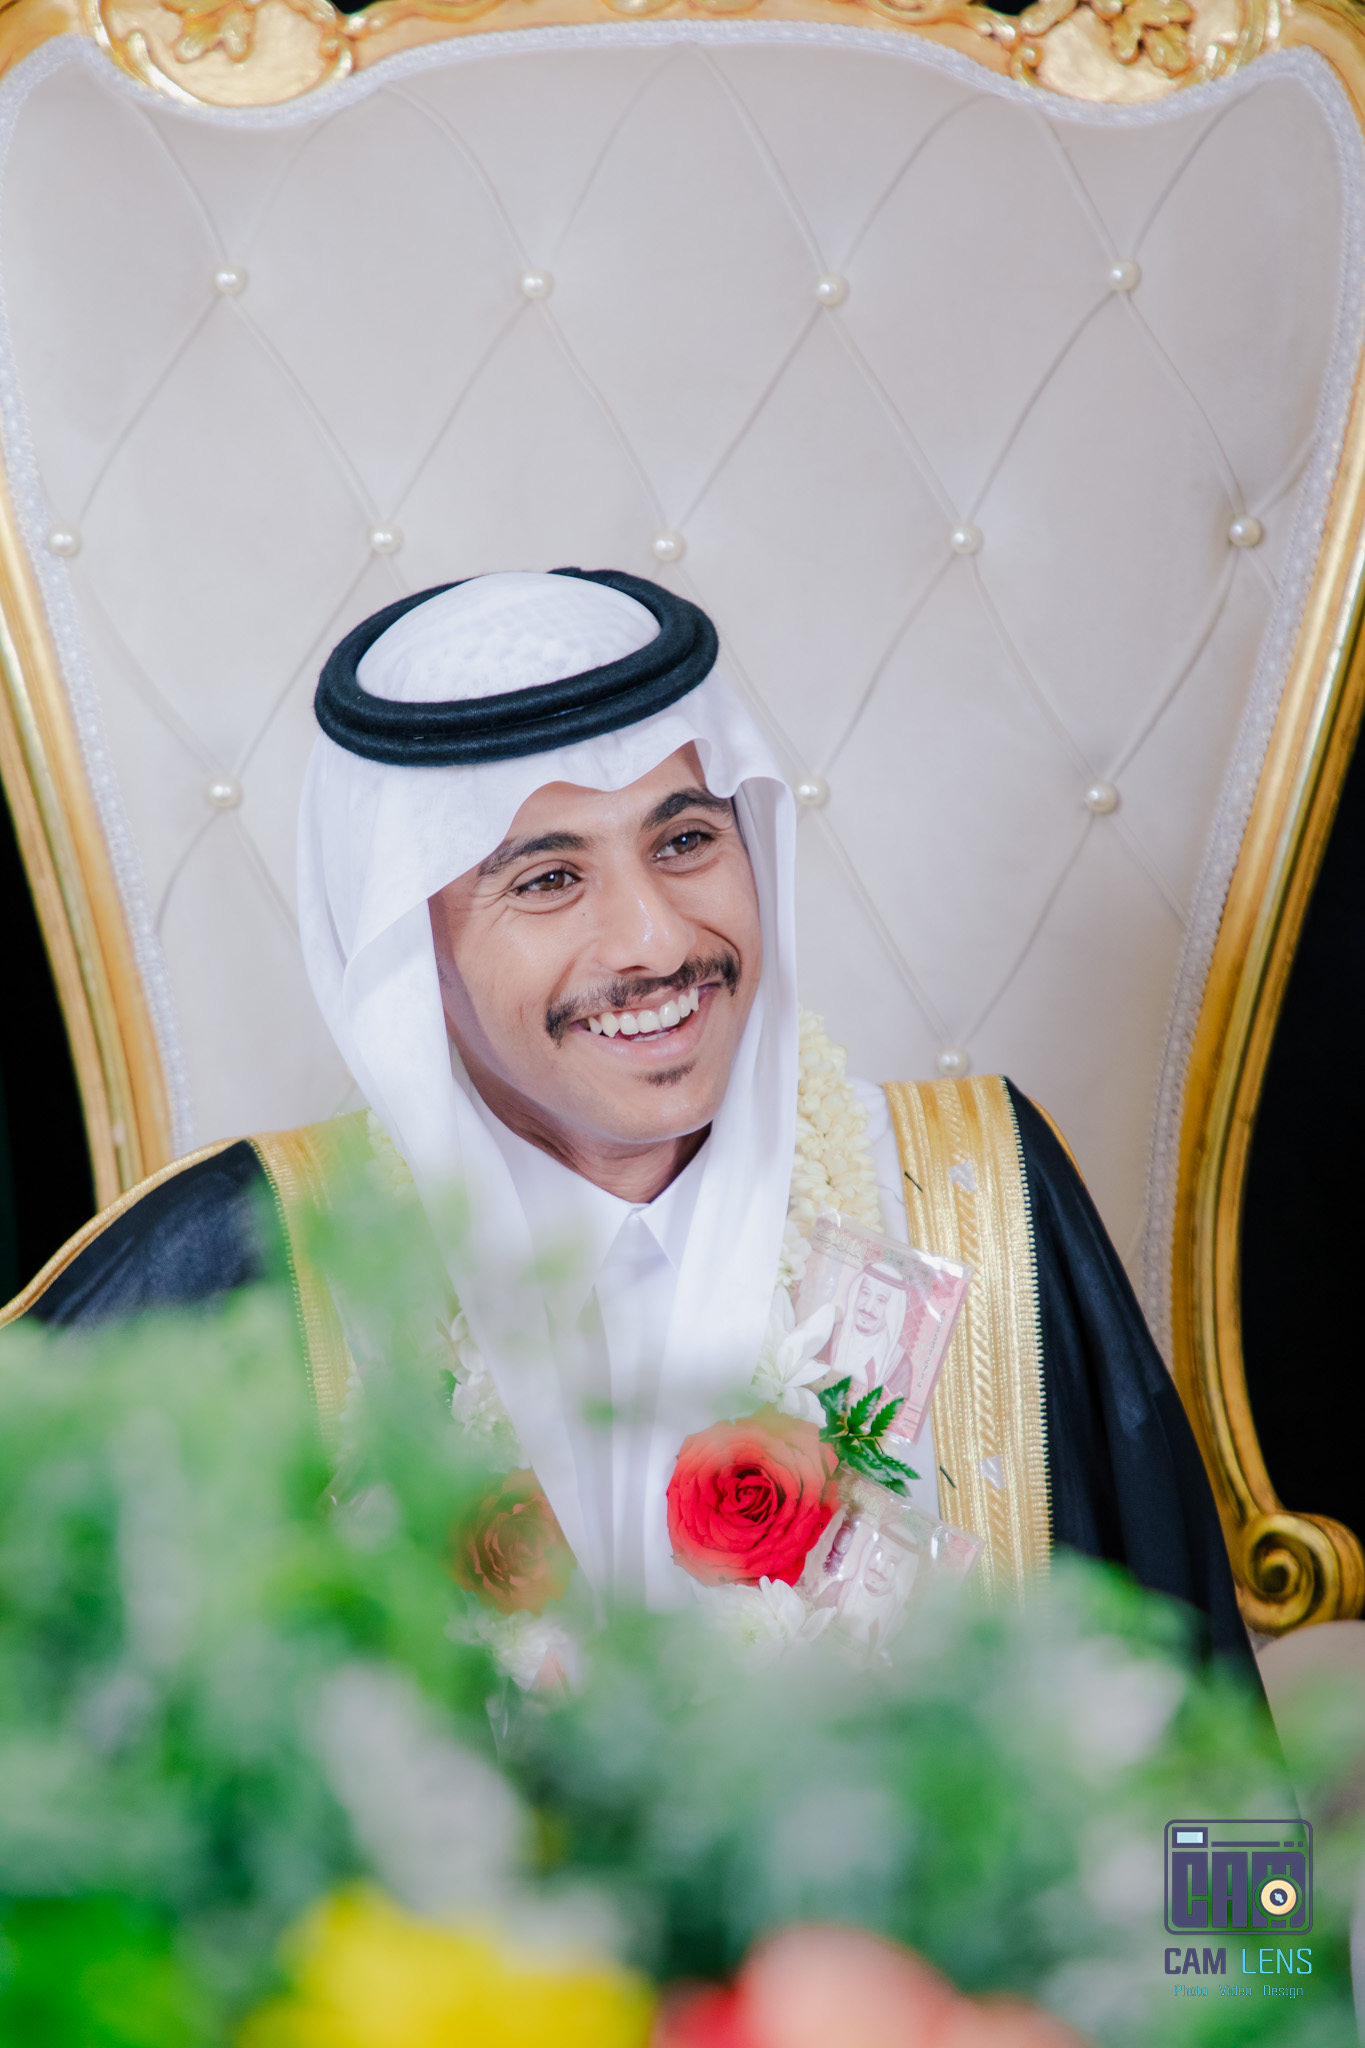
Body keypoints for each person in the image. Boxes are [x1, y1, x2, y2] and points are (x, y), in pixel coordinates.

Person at [0, 568, 1251, 1661]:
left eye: (687, 839)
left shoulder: (973, 1200)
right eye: (549, 878)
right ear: (403, 950)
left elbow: (1205, 1771)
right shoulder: (247, 1273)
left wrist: (1238, 1904)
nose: (655, 939)